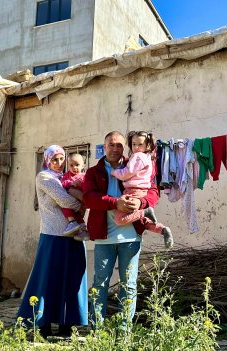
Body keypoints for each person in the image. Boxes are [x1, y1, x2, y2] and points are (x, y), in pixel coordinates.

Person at [82, 131, 160, 326]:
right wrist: (114, 202)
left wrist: (142, 202)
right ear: (105, 146)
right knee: (100, 284)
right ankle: (96, 329)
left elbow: (154, 192)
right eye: (111, 144)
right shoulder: (94, 172)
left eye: (119, 145)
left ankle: (124, 331)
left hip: (131, 237)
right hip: (104, 237)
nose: (115, 148)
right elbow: (89, 198)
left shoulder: (137, 164)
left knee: (129, 285)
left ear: (124, 147)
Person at [17, 145, 88, 338]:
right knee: (48, 280)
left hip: (74, 235)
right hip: (53, 235)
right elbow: (64, 201)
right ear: (48, 160)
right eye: (55, 159)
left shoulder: (68, 178)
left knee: (73, 281)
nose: (59, 163)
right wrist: (83, 204)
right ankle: (43, 323)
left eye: (62, 158)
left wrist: (84, 203)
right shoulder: (44, 177)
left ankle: (68, 324)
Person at [111, 131, 173, 249]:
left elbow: (126, 173)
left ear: (148, 146)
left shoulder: (138, 156)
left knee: (119, 219)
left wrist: (114, 172)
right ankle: (162, 229)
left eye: (140, 144)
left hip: (134, 191)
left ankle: (146, 211)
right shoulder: (148, 157)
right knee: (143, 221)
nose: (136, 147)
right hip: (141, 191)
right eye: (134, 144)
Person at [60, 153, 90, 241]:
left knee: (82, 215)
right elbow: (62, 184)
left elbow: (88, 187)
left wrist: (81, 184)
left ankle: (84, 230)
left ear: (83, 165)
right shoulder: (66, 175)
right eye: (71, 165)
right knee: (64, 205)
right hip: (70, 200)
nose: (74, 168)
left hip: (81, 201)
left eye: (77, 165)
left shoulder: (84, 176)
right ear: (68, 166)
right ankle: (72, 221)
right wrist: (71, 183)